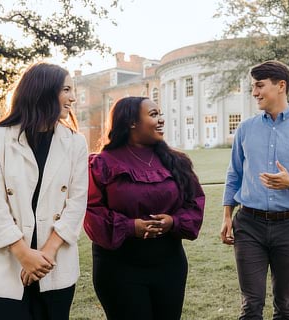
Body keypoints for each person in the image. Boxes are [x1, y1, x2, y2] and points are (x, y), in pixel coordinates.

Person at [0, 62, 88, 320]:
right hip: (6, 261)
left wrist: (45, 255)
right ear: (43, 90)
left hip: (54, 263)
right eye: (66, 89)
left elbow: (77, 202)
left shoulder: (76, 143)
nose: (73, 98)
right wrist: (24, 255)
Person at [220, 60, 289, 319]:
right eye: (253, 87)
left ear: (281, 86)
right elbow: (234, 173)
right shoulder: (246, 129)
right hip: (248, 224)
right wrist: (227, 216)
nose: (254, 92)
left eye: (259, 86)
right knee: (251, 305)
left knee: (285, 305)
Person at [84, 96, 205, 320]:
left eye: (160, 114)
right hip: (119, 268)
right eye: (153, 115)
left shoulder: (176, 161)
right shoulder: (102, 163)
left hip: (169, 265)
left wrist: (173, 222)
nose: (161, 120)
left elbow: (194, 201)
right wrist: (131, 227)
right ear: (131, 121)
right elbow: (92, 212)